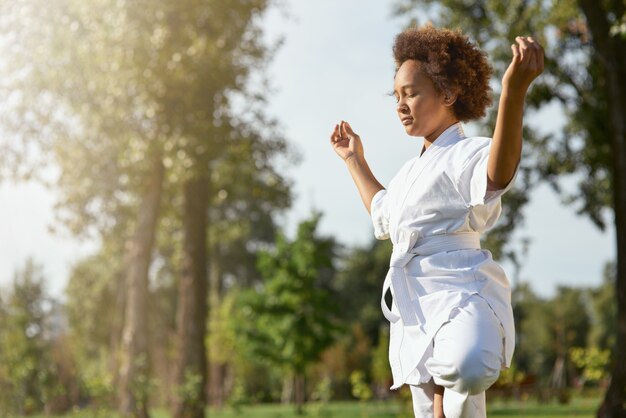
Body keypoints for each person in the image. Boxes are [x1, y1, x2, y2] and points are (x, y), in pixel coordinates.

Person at [329, 26, 544, 418]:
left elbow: (499, 172)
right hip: (416, 301)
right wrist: (354, 160)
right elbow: (384, 213)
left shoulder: (466, 152)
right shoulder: (411, 171)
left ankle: (450, 377)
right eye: (396, 95)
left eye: (410, 92)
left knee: (468, 364)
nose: (400, 104)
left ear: (448, 94)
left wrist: (513, 91)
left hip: (459, 289)